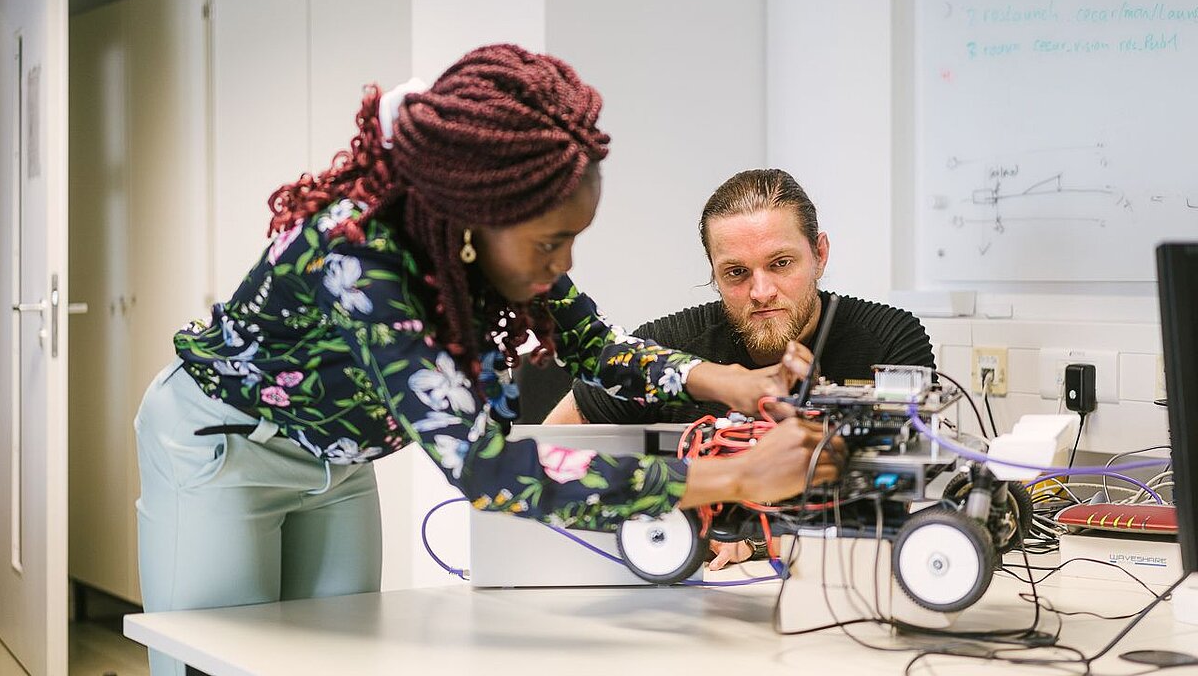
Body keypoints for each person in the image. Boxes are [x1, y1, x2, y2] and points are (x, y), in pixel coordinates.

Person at [134, 45, 840, 675]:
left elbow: (593, 342)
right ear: (477, 218)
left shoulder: (483, 239)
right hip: (224, 451)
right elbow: (487, 468)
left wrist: (730, 382)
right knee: (218, 659)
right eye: (549, 243)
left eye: (573, 241)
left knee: (334, 655)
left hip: (340, 460)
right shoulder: (357, 255)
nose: (561, 265)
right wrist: (736, 473)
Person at [543, 168, 935, 567]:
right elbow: (549, 446)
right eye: (736, 273)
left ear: (820, 254)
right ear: (713, 272)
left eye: (781, 264)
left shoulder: (887, 341)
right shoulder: (668, 346)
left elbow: (888, 513)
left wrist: (757, 540)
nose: (761, 292)